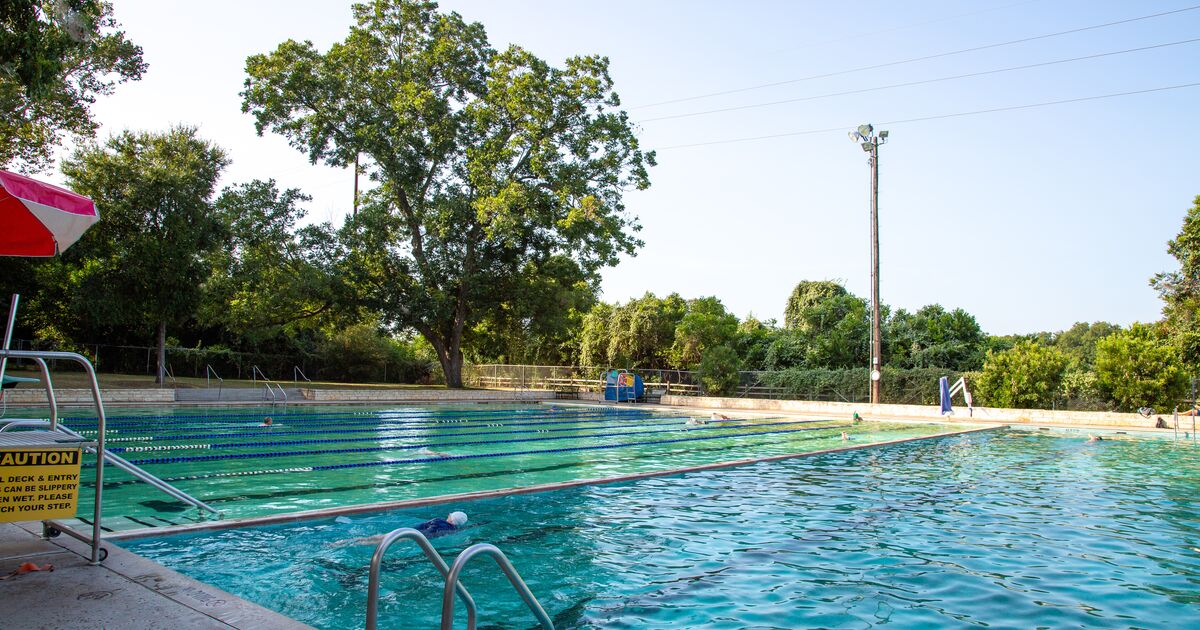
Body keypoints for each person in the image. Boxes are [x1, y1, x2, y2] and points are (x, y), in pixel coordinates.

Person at [332, 511, 469, 548]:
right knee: (380, 542)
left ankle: (347, 541)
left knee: (379, 538)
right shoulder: (453, 531)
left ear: (451, 518)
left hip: (407, 531)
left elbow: (428, 528)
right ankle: (350, 542)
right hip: (414, 538)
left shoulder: (439, 521)